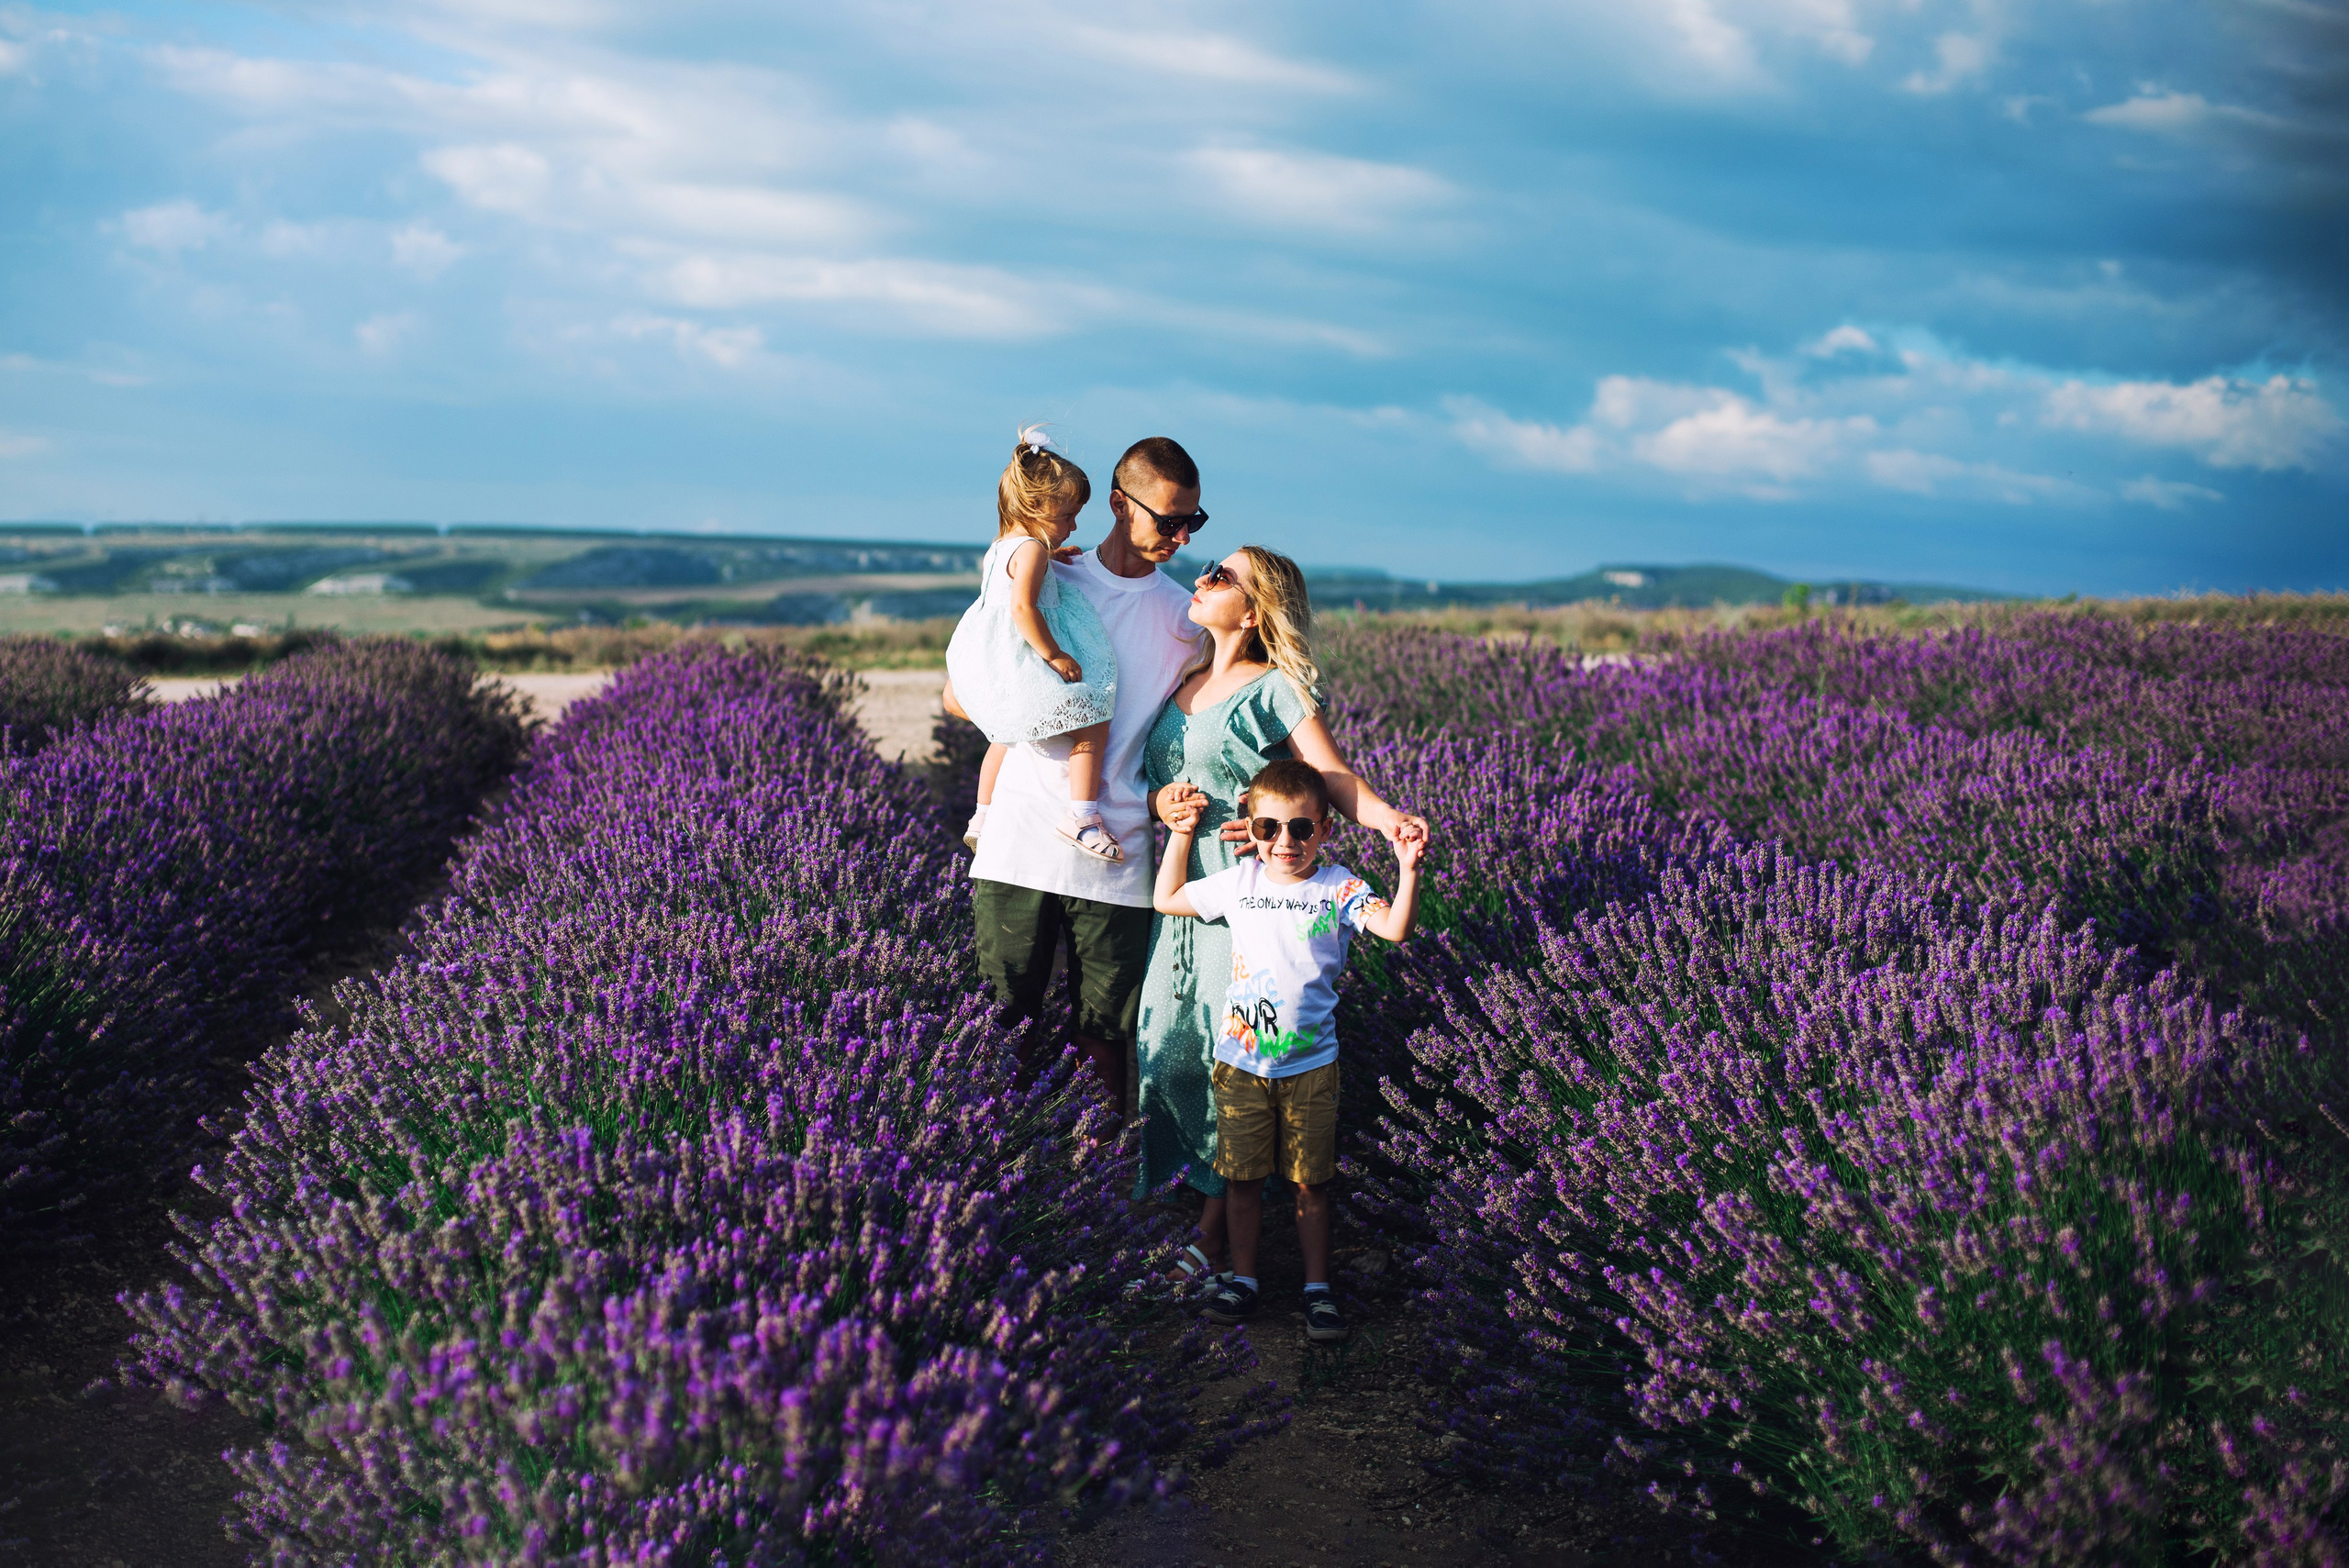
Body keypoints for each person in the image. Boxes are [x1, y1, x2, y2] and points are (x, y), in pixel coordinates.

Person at [1133, 544, 1426, 1297]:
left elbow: (1328, 774)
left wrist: (1391, 824)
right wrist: (1162, 804)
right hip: (1181, 884)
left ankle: (1211, 1242)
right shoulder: (1185, 681)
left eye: (1221, 576)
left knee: (1224, 1055)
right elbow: (1161, 779)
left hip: (1248, 896)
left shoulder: (1275, 688)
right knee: (1169, 1050)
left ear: (1255, 610)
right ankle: (1208, 1217)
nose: (1202, 578)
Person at [944, 436, 1210, 1111]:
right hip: (1018, 842)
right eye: (1168, 520)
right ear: (1120, 504)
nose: (1179, 537)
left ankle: (1103, 1193)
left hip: (1117, 851)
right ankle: (999, 1177)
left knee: (1106, 1041)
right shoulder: (1050, 574)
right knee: (1003, 1027)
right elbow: (958, 690)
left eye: (1193, 523)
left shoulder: (1188, 621)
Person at [1152, 757, 1423, 1342]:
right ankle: (1244, 1279)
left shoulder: (1340, 887)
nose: (1284, 842)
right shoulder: (1240, 882)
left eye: (1301, 829)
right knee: (1242, 1182)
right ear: (1250, 828)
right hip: (1242, 1065)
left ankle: (1317, 1288)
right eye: (1268, 828)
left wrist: (1406, 869)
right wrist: (1179, 833)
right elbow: (1166, 897)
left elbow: (1395, 928)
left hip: (1311, 1069)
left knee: (1311, 1185)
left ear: (1325, 830)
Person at [945, 428, 1123, 861]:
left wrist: (1049, 556)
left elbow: (1010, 581)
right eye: (1067, 517)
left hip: (985, 656)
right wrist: (1055, 654)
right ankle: (1081, 815)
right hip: (1021, 655)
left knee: (1004, 736)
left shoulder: (1001, 547)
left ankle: (982, 817)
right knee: (1093, 714)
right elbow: (1023, 609)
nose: (1074, 526)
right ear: (1035, 507)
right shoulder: (1032, 552)